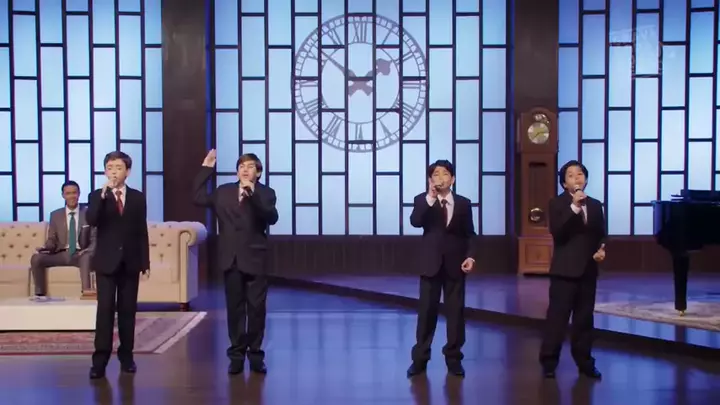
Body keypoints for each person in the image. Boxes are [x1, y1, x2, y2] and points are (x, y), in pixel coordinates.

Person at [193, 150, 279, 375]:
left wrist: (253, 195)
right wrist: (206, 169)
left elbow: (271, 217)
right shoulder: (224, 192)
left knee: (257, 309)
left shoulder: (266, 193)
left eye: (250, 166)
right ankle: (237, 356)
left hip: (256, 258)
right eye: (241, 166)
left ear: (258, 172)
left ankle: (256, 355)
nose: (245, 170)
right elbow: (197, 197)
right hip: (230, 259)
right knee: (235, 309)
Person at [406, 159, 476, 378]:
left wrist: (470, 256)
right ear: (430, 179)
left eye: (445, 174)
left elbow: (470, 234)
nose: (440, 178)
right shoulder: (422, 200)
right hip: (431, 264)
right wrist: (430, 197)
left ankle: (454, 359)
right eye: (435, 174)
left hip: (456, 265)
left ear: (452, 179)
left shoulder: (463, 203)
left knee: (455, 314)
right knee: (426, 314)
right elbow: (415, 221)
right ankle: (420, 359)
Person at [539, 160, 605, 380]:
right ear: (564, 183)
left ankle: (585, 362)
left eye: (580, 174)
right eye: (570, 175)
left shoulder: (595, 205)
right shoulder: (557, 204)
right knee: (557, 320)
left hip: (588, 270)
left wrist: (601, 248)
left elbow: (601, 234)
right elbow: (558, 232)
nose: (576, 178)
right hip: (564, 272)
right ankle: (549, 362)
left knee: (584, 320)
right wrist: (575, 207)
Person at [86, 151, 150, 380]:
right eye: (110, 168)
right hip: (106, 262)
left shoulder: (137, 197)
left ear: (128, 171)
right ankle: (99, 362)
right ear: (105, 171)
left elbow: (141, 230)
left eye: (118, 168)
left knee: (127, 311)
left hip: (130, 261)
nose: (114, 172)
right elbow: (91, 220)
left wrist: (145, 261)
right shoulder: (97, 195)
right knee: (104, 311)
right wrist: (103, 196)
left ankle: (127, 357)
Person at [30, 180, 96, 300]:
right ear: (63, 195)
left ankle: (86, 293)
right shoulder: (55, 215)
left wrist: (88, 250)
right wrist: (46, 247)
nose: (72, 196)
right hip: (61, 254)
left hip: (80, 254)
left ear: (79, 194)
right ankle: (40, 295)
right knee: (36, 258)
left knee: (86, 258)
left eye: (74, 193)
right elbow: (52, 239)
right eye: (68, 193)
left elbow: (94, 239)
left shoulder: (88, 213)